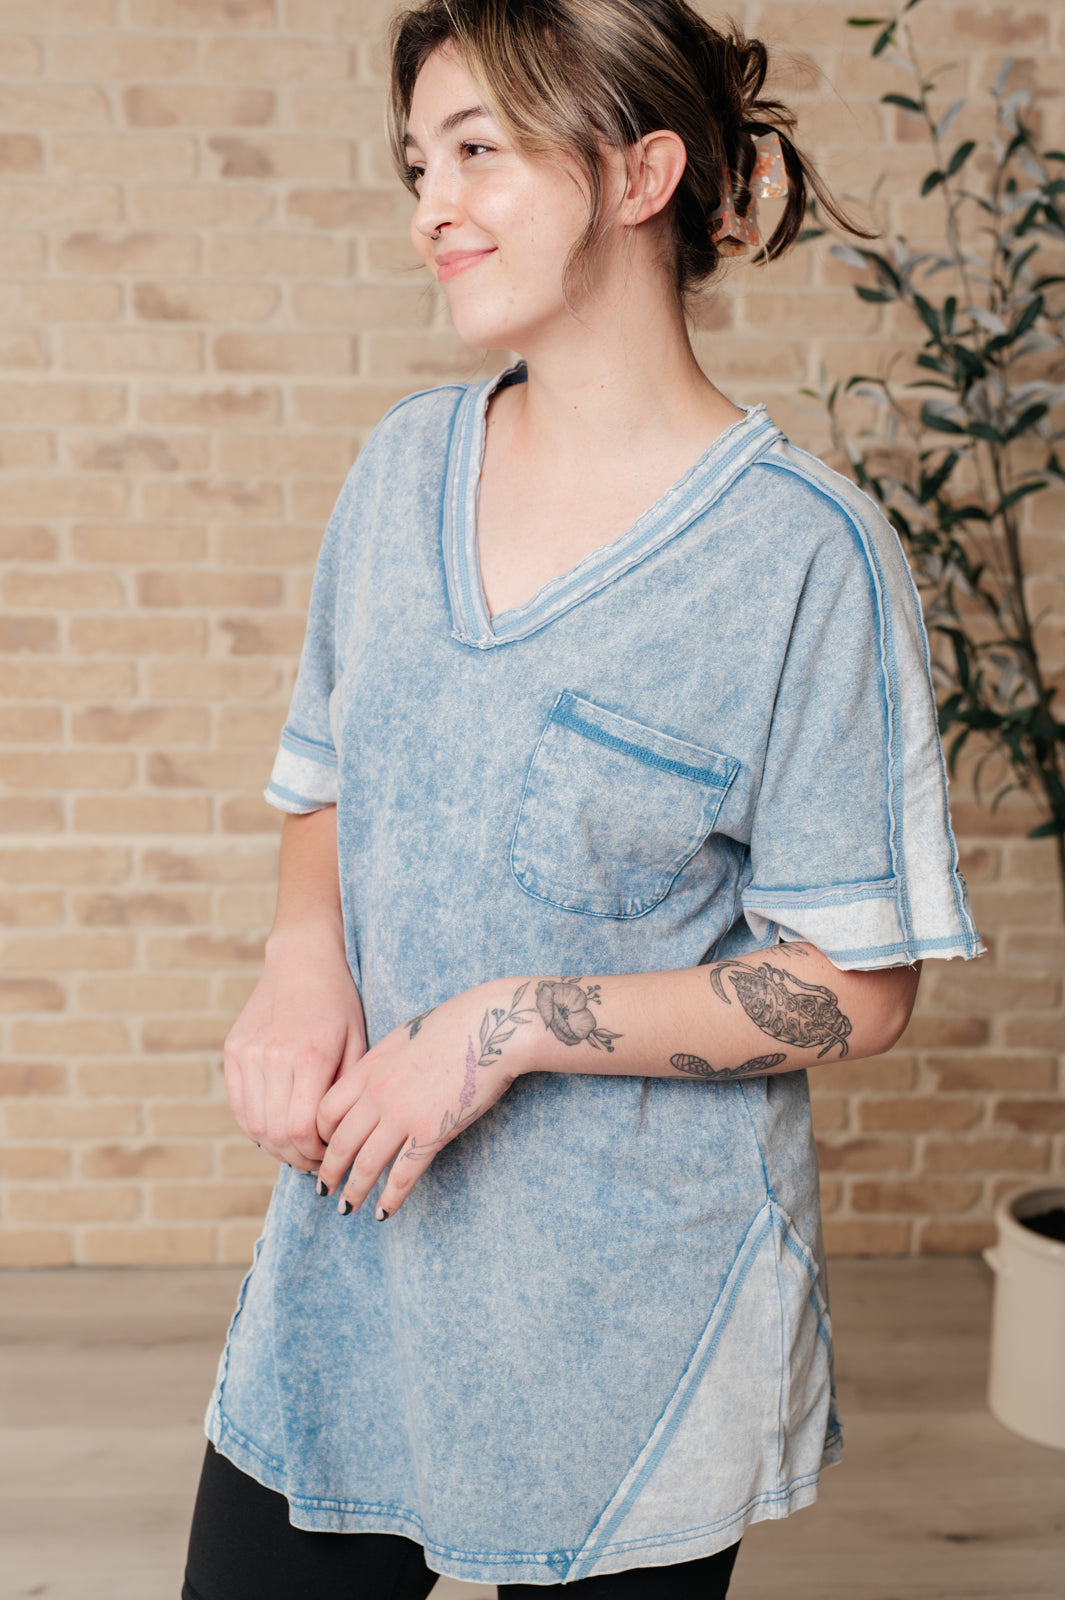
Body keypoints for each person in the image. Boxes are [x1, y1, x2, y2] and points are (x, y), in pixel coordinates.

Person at [183, 2, 983, 1596]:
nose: (431, 204)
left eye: (476, 151)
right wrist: (300, 957)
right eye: (417, 163)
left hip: (634, 1320)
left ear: (639, 173)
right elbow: (325, 770)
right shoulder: (401, 469)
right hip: (357, 1250)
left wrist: (502, 1027)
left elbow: (856, 988)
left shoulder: (801, 561)